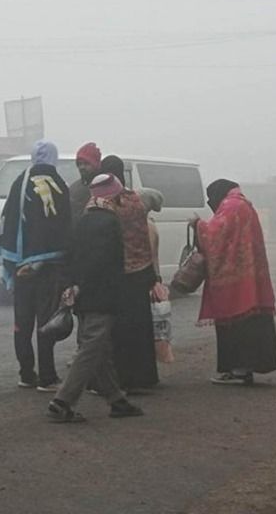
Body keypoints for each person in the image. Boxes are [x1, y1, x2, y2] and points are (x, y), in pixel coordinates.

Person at [47, 174, 144, 422]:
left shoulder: (82, 220)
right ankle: (62, 402)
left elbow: (69, 257)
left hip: (82, 296)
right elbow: (104, 264)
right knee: (91, 349)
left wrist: (71, 287)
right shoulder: (110, 223)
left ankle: (116, 400)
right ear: (113, 196)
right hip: (101, 295)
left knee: (98, 350)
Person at [0, 140, 72, 392]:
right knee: (45, 320)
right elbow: (65, 226)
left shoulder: (20, 182)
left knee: (22, 321)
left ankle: (27, 374)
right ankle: (47, 377)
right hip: (50, 266)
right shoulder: (59, 184)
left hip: (22, 265)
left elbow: (8, 219)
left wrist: (8, 258)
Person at [195, 179, 276, 385]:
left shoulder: (231, 206)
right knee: (251, 323)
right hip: (251, 277)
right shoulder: (243, 204)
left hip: (235, 280)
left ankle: (238, 369)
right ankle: (246, 368)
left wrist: (197, 225)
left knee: (235, 322)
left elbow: (214, 233)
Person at [101, 155, 159, 390]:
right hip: (141, 270)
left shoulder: (109, 203)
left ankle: (123, 379)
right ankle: (145, 377)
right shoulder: (135, 200)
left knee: (121, 330)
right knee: (141, 327)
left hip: (119, 273)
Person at [140, 188, 174, 363]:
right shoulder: (149, 225)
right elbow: (154, 257)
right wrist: (157, 279)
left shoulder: (145, 225)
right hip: (147, 278)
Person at [69, 142, 102, 225]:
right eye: (79, 164)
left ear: (95, 164)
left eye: (86, 163)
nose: (82, 167)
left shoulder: (104, 187)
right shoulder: (74, 188)